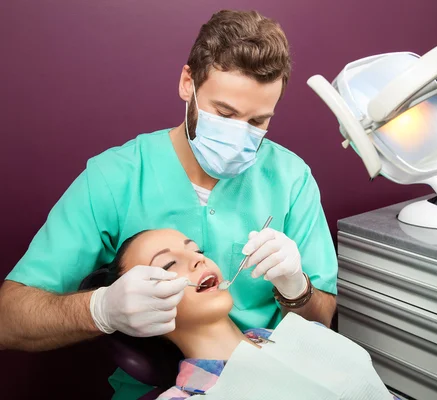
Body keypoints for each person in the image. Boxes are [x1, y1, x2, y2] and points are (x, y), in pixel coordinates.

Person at [0, 10, 338, 399]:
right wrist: (101, 309)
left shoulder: (290, 178)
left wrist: (296, 287)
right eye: (225, 114)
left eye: (257, 122)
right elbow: (9, 320)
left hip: (284, 379)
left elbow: (321, 321)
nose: (239, 135)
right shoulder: (115, 178)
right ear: (187, 83)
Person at [97, 228, 397, 399]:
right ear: (139, 311)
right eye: (167, 266)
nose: (197, 260)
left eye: (197, 250)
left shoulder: (297, 336)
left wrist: (297, 285)